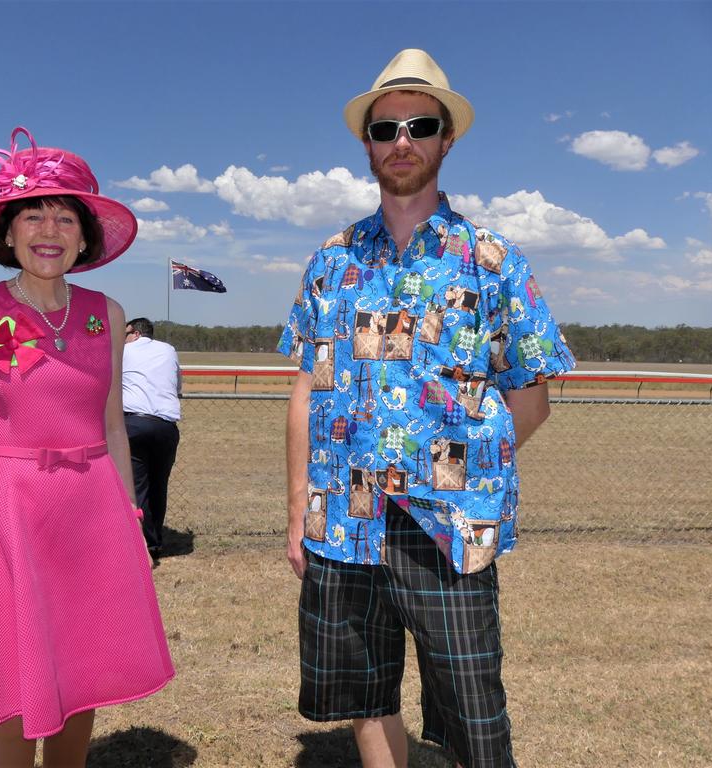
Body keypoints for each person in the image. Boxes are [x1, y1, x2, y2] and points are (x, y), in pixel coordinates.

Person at [279, 50, 575, 768]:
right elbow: (308, 388)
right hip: (343, 517)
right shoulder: (333, 259)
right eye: (386, 129)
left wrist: (459, 470)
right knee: (364, 690)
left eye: (420, 125)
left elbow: (529, 395)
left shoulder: (491, 258)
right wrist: (298, 508)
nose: (401, 141)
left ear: (447, 139)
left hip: (447, 520)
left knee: (471, 706)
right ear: (368, 145)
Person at [0, 127, 174, 768]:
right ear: (9, 233)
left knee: (82, 672)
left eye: (65, 216)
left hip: (94, 511)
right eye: (33, 214)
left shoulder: (107, 313)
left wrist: (130, 519)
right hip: (11, 512)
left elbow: (110, 428)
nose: (50, 228)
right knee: (11, 684)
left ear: (84, 234)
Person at [122, 317, 182, 565]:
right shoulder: (169, 350)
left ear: (135, 333)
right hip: (166, 426)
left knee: (138, 486)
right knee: (159, 485)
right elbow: (177, 386)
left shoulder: (123, 350)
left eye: (125, 332)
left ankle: (141, 543)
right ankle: (156, 542)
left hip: (134, 423)